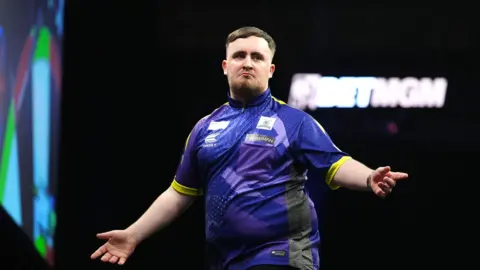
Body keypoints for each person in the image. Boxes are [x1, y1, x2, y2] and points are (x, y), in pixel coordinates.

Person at [90, 26, 408, 270]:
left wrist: (369, 177)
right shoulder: (204, 129)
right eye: (240, 55)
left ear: (270, 70)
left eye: (257, 57)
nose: (248, 62)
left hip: (283, 255)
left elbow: (336, 165)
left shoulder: (293, 122)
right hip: (225, 260)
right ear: (225, 66)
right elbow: (179, 194)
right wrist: (133, 234)